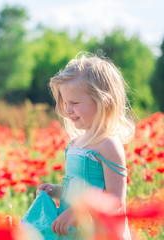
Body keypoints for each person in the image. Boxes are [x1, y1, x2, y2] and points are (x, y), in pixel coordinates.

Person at [22, 53, 135, 239]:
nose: (67, 110)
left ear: (103, 102)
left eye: (74, 103)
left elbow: (115, 201)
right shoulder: (76, 143)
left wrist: (75, 212)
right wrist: (55, 190)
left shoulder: (108, 144)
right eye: (65, 103)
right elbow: (76, 192)